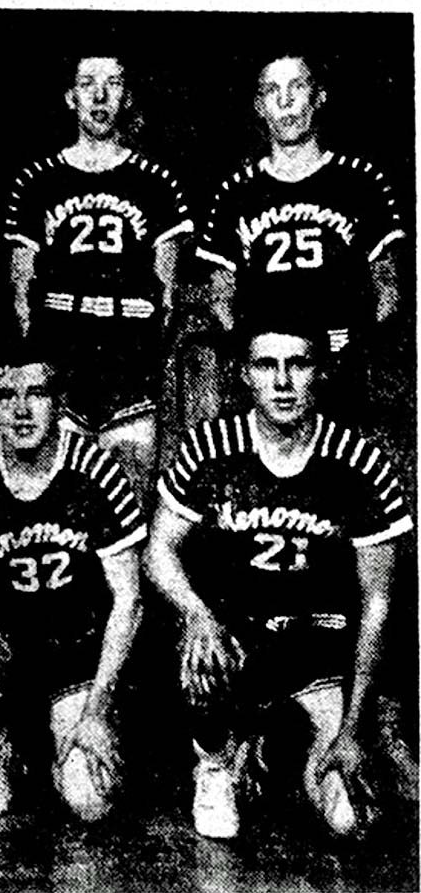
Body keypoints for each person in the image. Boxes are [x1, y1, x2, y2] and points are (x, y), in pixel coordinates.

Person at [144, 312, 412, 838]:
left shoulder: (359, 463)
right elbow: (159, 553)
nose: (283, 382)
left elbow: (378, 602)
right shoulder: (210, 447)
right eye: (267, 365)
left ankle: (272, 752)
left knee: (348, 820)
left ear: (322, 372)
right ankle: (216, 760)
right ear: (244, 374)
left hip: (319, 646)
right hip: (235, 640)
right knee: (199, 653)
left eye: (298, 365)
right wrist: (197, 614)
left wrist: (354, 728)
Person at [0, 341, 145, 819]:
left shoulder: (97, 473)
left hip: (78, 654)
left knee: (90, 803)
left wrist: (97, 710)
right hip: (5, 651)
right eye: (7, 395)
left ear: (59, 402)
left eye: (37, 394)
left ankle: (54, 748)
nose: (22, 410)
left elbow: (129, 601)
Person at [5, 54, 192, 496]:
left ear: (127, 97)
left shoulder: (156, 183)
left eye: (113, 84)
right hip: (61, 358)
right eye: (88, 83)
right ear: (71, 97)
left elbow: (166, 295)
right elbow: (20, 294)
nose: (100, 95)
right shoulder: (38, 181)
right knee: (61, 500)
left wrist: (145, 359)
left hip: (129, 365)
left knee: (127, 500)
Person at [194, 53, 404, 420]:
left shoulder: (360, 183)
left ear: (319, 97)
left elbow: (388, 289)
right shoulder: (235, 194)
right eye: (272, 90)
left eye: (297, 87)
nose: (285, 100)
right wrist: (256, 353)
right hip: (268, 375)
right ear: (259, 106)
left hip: (341, 371)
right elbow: (220, 296)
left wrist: (350, 349)